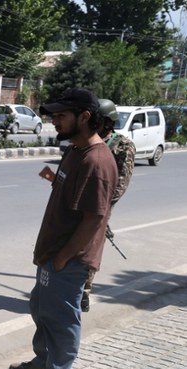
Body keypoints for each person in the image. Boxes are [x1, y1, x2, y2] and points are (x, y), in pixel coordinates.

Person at [8, 88, 116, 369]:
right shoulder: (74, 152)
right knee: (41, 307)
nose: (55, 121)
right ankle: (43, 363)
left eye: (61, 116)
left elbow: (94, 219)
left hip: (69, 260)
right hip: (53, 254)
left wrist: (63, 258)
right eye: (53, 115)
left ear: (85, 117)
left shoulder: (96, 161)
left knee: (62, 318)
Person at [80, 98, 136, 312]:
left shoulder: (122, 145)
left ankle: (84, 291)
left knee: (90, 246)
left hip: (100, 206)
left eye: (98, 120)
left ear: (108, 122)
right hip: (77, 204)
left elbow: (121, 182)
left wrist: (100, 205)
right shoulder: (86, 141)